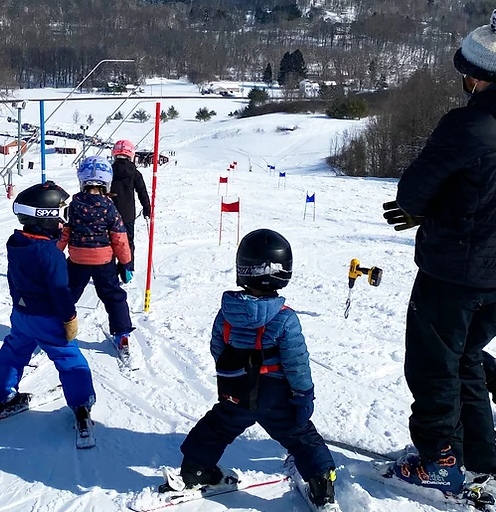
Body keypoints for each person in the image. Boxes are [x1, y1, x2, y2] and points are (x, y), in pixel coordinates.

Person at [382, 7, 496, 497]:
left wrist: (424, 211)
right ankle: (477, 456)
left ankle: (439, 459)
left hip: (452, 271)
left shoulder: (467, 125)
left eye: (465, 69)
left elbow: (412, 195)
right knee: (467, 358)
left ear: (477, 75)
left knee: (433, 365)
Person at [177, 229, 338, 509]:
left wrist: (234, 372)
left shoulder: (226, 312)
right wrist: (303, 395)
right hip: (276, 396)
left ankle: (195, 469)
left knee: (217, 427)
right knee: (300, 436)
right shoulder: (285, 319)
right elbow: (296, 362)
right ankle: (321, 484)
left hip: (237, 390)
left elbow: (218, 348)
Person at [0, 181, 96, 435]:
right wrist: (69, 318)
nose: (63, 222)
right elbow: (60, 292)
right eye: (60, 216)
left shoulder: (17, 243)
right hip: (48, 318)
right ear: (45, 217)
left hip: (22, 314)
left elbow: (19, 273)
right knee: (69, 358)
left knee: (13, 352)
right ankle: (82, 406)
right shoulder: (50, 255)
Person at [59, 156, 134, 352]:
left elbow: (65, 232)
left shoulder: (73, 205)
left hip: (77, 260)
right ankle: (122, 334)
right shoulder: (110, 207)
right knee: (113, 296)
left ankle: (57, 325)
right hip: (104, 261)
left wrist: (55, 253)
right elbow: (119, 238)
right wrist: (126, 263)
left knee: (67, 293)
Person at [109, 139, 151, 272]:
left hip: (109, 213)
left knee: (109, 242)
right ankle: (127, 269)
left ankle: (109, 270)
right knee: (128, 242)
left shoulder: (108, 171)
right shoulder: (135, 173)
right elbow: (142, 192)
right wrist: (147, 209)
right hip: (127, 214)